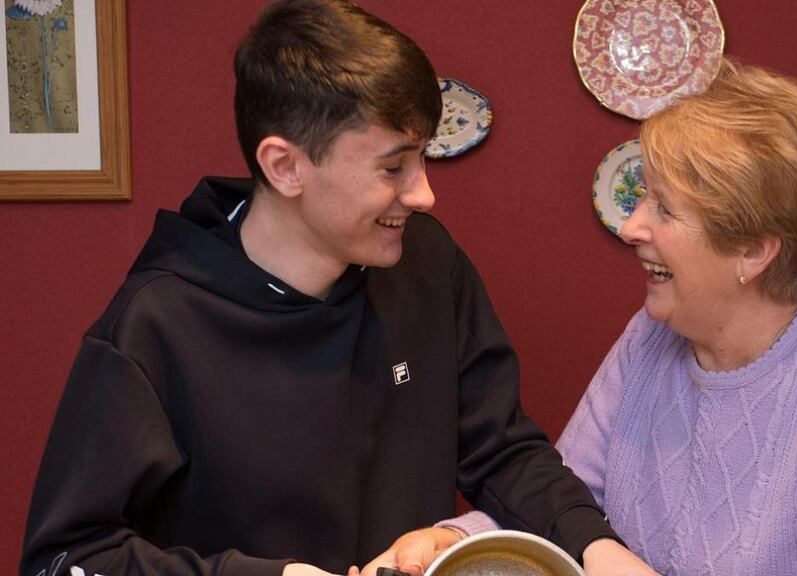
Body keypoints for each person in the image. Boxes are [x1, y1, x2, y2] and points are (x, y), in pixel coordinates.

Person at [19, 2, 651, 575]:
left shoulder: (429, 265)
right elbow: (67, 558)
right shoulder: (154, 324)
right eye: (393, 167)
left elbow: (502, 452)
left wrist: (593, 545)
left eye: (424, 158)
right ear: (285, 166)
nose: (424, 193)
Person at [419, 59, 797, 574]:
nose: (633, 227)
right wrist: (455, 540)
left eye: (664, 208)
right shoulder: (653, 336)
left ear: (754, 251)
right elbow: (567, 503)